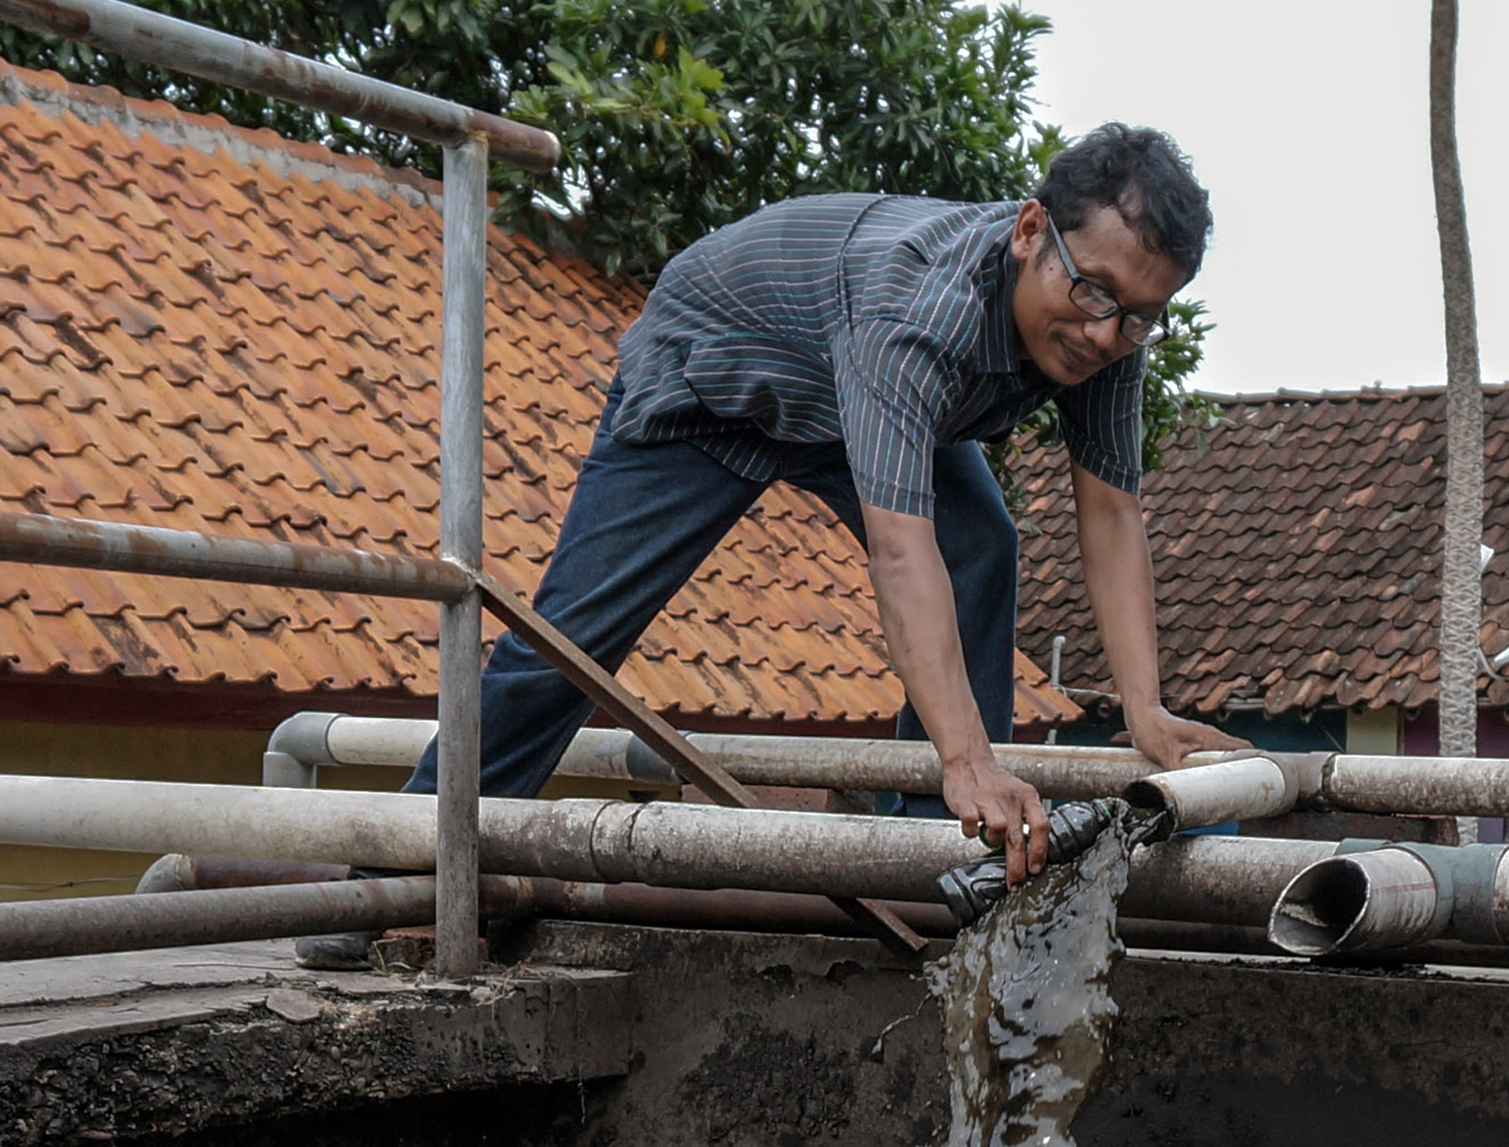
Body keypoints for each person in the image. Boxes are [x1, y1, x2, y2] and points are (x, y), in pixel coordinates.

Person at [301, 124, 1244, 967]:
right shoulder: (918, 313)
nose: (1103, 330)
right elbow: (899, 552)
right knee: (573, 640)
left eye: (1139, 313)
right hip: (713, 368)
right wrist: (968, 755)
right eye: (1091, 293)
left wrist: (1145, 710)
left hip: (841, 399)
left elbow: (1112, 514)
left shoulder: (1110, 334)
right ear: (1030, 232)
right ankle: (391, 865)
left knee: (982, 545)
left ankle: (945, 860)